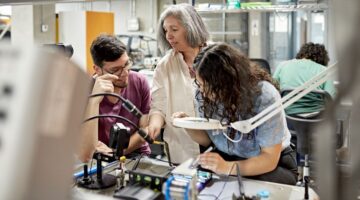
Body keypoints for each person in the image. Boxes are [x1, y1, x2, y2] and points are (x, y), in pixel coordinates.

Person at [174, 43, 297, 185]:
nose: (203, 92)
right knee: (199, 181)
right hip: (227, 158)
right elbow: (208, 140)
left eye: (208, 87)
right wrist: (187, 124)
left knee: (248, 188)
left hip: (271, 163)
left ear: (226, 83)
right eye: (200, 85)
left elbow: (269, 159)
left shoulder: (264, 96)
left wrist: (227, 167)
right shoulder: (202, 93)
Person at [147, 3, 210, 164]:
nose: (168, 36)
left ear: (191, 28)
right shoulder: (165, 65)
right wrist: (154, 125)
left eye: (174, 30)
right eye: (166, 30)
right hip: (181, 148)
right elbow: (158, 106)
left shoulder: (216, 59)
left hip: (216, 146)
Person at [79, 34, 151, 162]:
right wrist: (94, 101)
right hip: (99, 161)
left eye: (127, 64)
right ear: (97, 69)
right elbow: (85, 153)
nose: (125, 73)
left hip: (136, 156)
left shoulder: (140, 81)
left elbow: (145, 128)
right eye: (116, 70)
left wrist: (115, 153)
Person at [273, 42, 336, 116]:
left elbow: (273, 90)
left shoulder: (282, 65)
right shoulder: (324, 71)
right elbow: (331, 99)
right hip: (317, 120)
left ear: (301, 53)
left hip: (288, 118)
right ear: (322, 58)